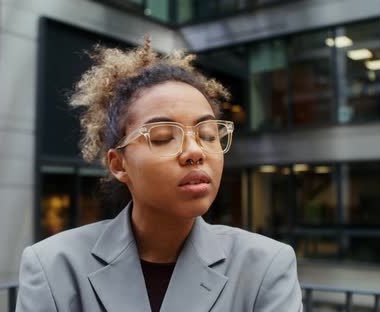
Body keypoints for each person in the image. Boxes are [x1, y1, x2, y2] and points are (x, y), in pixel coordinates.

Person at [16, 37, 303, 312]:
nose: (195, 151)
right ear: (118, 164)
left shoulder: (265, 265)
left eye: (207, 134)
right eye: (164, 137)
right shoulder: (52, 266)